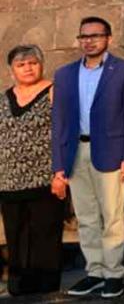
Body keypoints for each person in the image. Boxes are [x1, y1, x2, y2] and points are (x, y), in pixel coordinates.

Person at [51, 16, 124, 298]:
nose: (88, 41)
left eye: (95, 35)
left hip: (111, 152)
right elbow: (59, 122)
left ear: (108, 39)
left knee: (112, 215)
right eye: (83, 36)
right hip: (75, 152)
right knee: (86, 217)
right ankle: (95, 271)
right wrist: (58, 164)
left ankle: (114, 273)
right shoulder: (64, 74)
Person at [0, 45, 65, 295]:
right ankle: (19, 289)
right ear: (12, 69)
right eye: (21, 64)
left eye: (32, 63)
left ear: (41, 64)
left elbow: (63, 134)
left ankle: (46, 291)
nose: (27, 68)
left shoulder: (54, 92)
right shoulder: (4, 98)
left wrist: (61, 174)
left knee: (45, 236)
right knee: (17, 237)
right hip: (9, 182)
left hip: (45, 179)